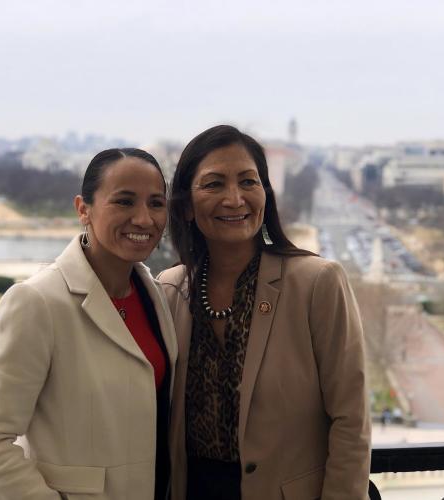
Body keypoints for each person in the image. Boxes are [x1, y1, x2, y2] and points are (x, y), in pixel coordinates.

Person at [158, 125, 371, 500]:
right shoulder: (170, 290)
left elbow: (351, 418)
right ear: (187, 205)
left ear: (265, 195)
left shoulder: (316, 283)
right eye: (214, 184)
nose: (235, 198)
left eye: (248, 182)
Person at [0, 148, 177, 500]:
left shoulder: (153, 294)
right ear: (83, 209)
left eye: (156, 203)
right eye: (124, 202)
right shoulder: (37, 302)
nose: (144, 219)